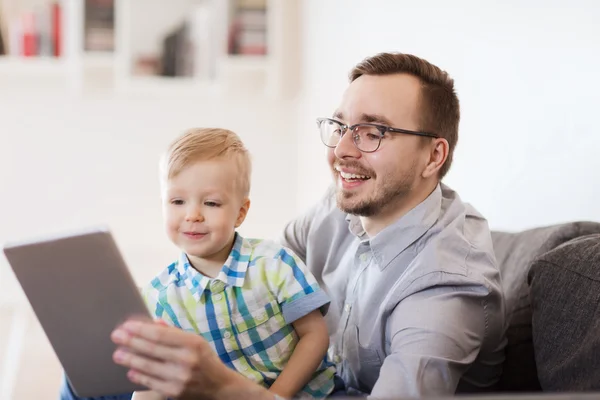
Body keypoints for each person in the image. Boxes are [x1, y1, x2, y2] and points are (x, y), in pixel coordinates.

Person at [62, 52, 507, 400]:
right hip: (291, 380)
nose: (342, 151)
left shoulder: (446, 284)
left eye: (372, 132)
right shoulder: (344, 208)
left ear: (434, 156)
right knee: (90, 377)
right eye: (340, 126)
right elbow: (254, 281)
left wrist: (222, 385)